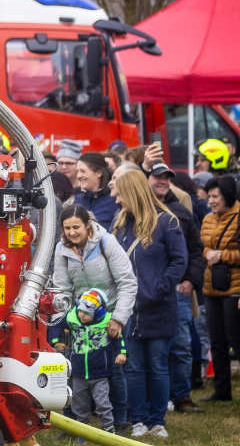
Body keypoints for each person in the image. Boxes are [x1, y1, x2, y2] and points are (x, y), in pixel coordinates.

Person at [110, 168, 187, 439]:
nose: (116, 200)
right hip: (130, 310)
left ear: (131, 193)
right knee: (132, 367)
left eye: (119, 194)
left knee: (157, 365)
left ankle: (157, 420)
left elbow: (179, 261)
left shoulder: (167, 223)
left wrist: (159, 288)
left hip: (159, 308)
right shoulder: (119, 226)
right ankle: (139, 420)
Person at [51, 203, 137, 430]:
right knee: (73, 368)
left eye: (76, 227)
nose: (71, 233)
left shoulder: (105, 242)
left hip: (110, 315)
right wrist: (64, 322)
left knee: (114, 371)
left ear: (87, 225)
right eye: (67, 228)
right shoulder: (62, 249)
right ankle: (73, 423)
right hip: (80, 318)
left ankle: (120, 422)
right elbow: (62, 289)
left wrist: (118, 318)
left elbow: (127, 282)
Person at [146, 161, 206, 413]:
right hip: (148, 289)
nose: (162, 181)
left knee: (180, 346)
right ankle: (155, 397)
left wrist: (190, 280)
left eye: (166, 177)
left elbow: (195, 250)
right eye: (157, 177)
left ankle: (181, 396)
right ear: (147, 178)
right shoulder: (141, 209)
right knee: (150, 347)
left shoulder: (181, 211)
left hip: (177, 291)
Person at [48, 288, 126, 432]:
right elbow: (56, 325)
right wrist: (56, 341)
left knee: (103, 403)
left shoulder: (107, 321)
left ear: (97, 312)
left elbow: (118, 338)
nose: (82, 316)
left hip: (100, 373)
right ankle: (82, 429)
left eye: (87, 314)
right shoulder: (72, 317)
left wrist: (122, 353)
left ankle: (108, 428)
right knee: (79, 403)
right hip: (78, 372)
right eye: (81, 311)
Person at [199, 175, 240, 402]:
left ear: (228, 196)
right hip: (212, 287)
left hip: (235, 289)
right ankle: (222, 391)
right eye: (210, 196)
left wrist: (223, 255)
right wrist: (208, 254)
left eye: (216, 196)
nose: (211, 201)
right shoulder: (207, 219)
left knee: (236, 340)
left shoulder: (238, 217)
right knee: (217, 342)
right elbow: (202, 248)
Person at [75, 152, 118, 230]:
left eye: (82, 171)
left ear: (98, 173)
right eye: (77, 171)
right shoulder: (78, 199)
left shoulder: (114, 200)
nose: (78, 176)